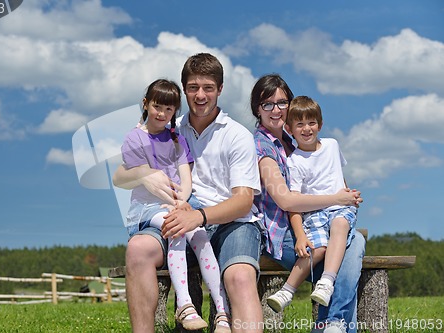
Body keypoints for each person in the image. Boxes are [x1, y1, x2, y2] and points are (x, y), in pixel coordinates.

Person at [114, 53, 264, 333]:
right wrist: (145, 174)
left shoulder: (236, 135)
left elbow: (244, 201)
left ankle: (225, 316)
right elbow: (120, 176)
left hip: (231, 223)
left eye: (208, 87)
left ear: (220, 89)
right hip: (176, 216)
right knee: (138, 249)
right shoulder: (168, 127)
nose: (201, 95)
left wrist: (199, 216)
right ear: (184, 90)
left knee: (240, 276)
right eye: (193, 87)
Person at [251, 74, 364, 333]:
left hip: (314, 223)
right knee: (352, 249)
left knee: (352, 242)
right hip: (282, 235)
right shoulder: (261, 145)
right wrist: (337, 199)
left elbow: (330, 176)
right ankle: (334, 324)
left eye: (282, 103)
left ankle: (331, 325)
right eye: (268, 104)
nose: (276, 109)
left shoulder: (293, 142)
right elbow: (285, 199)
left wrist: (346, 194)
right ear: (257, 109)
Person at [116, 78, 230, 331]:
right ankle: (185, 305)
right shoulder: (135, 138)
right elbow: (127, 174)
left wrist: (181, 202)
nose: (162, 113)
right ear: (146, 104)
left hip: (179, 203)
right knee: (176, 227)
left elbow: (185, 178)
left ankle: (221, 310)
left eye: (169, 109)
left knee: (200, 236)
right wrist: (173, 207)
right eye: (157, 106)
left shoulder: (177, 139)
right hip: (149, 208)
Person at [266, 95, 357, 314]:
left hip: (340, 208)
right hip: (313, 213)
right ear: (290, 128)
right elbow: (294, 204)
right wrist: (299, 235)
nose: (307, 129)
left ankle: (326, 281)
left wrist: (349, 195)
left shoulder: (332, 146)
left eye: (311, 123)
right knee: (315, 249)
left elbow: (338, 176)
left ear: (320, 124)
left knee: (340, 226)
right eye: (300, 124)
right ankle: (287, 291)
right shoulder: (294, 162)